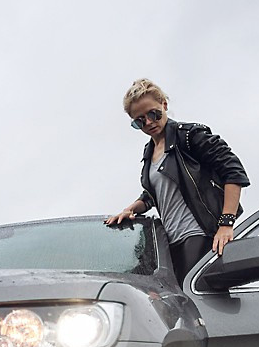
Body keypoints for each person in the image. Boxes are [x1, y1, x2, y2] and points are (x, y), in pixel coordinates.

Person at [105, 78, 250, 283]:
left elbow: (233, 171)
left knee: (190, 299)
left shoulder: (190, 136)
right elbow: (153, 196)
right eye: (139, 121)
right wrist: (129, 210)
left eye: (153, 114)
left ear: (164, 105)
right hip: (169, 243)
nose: (148, 122)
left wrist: (226, 223)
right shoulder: (149, 153)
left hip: (198, 234)